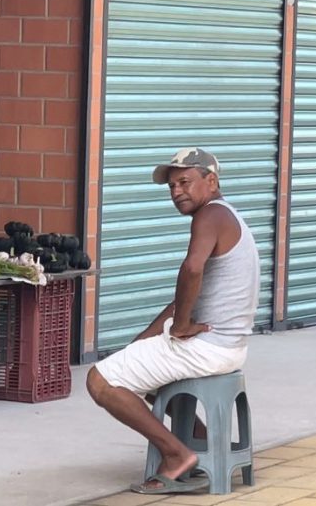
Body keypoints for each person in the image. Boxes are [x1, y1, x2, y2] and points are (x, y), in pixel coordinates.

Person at [86, 148, 260, 495]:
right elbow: (186, 294)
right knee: (141, 364)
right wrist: (146, 338)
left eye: (185, 182)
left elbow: (191, 269)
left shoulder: (209, 215)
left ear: (211, 181)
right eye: (171, 186)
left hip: (209, 347)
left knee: (100, 381)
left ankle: (176, 454)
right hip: (227, 346)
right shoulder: (226, 216)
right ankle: (200, 441)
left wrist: (178, 329)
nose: (177, 191)